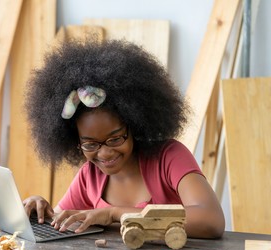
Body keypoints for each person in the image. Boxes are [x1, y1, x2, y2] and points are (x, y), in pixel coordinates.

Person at [23, 38, 225, 239]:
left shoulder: (169, 158)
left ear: (134, 124)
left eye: (115, 139)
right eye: (90, 144)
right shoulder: (89, 177)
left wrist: (114, 213)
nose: (105, 153)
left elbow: (210, 220)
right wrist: (41, 211)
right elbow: (64, 221)